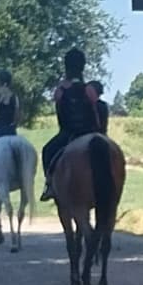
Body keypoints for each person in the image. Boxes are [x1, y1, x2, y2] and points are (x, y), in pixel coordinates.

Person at [40, 48, 103, 201]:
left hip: (68, 134)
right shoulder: (89, 89)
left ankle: (49, 185)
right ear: (82, 67)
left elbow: (60, 110)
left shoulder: (61, 90)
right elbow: (95, 112)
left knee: (47, 150)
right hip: (90, 133)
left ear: (67, 67)